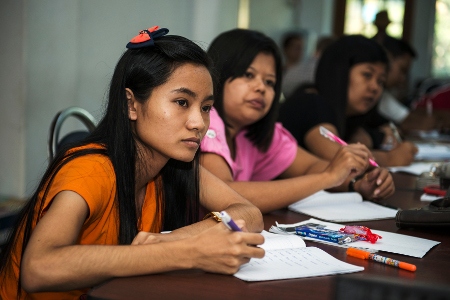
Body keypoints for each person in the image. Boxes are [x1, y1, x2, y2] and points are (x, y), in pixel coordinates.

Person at [0, 26, 265, 300]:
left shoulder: (173, 164)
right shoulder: (92, 170)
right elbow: (38, 269)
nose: (198, 123)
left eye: (206, 107)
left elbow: (249, 212)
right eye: (182, 102)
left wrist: (177, 239)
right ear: (131, 105)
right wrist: (186, 252)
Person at [200, 28, 395, 214]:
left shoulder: (256, 132)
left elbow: (310, 167)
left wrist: (358, 182)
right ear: (218, 75)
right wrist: (327, 178)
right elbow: (226, 194)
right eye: (249, 75)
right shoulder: (208, 120)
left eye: (270, 82)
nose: (261, 87)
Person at [278, 35, 418, 167]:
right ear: (340, 73)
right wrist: (390, 159)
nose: (375, 87)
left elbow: (390, 131)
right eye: (367, 75)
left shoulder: (351, 114)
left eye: (380, 81)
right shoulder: (311, 103)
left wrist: (375, 137)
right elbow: (339, 159)